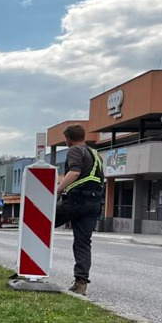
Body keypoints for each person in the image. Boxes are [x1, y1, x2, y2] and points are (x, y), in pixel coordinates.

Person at [54, 124, 105, 295]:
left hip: (76, 200)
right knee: (83, 243)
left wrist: (58, 189)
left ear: (68, 138)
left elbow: (74, 173)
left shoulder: (74, 150)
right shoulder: (96, 154)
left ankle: (31, 268)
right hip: (94, 202)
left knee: (41, 225)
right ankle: (81, 282)